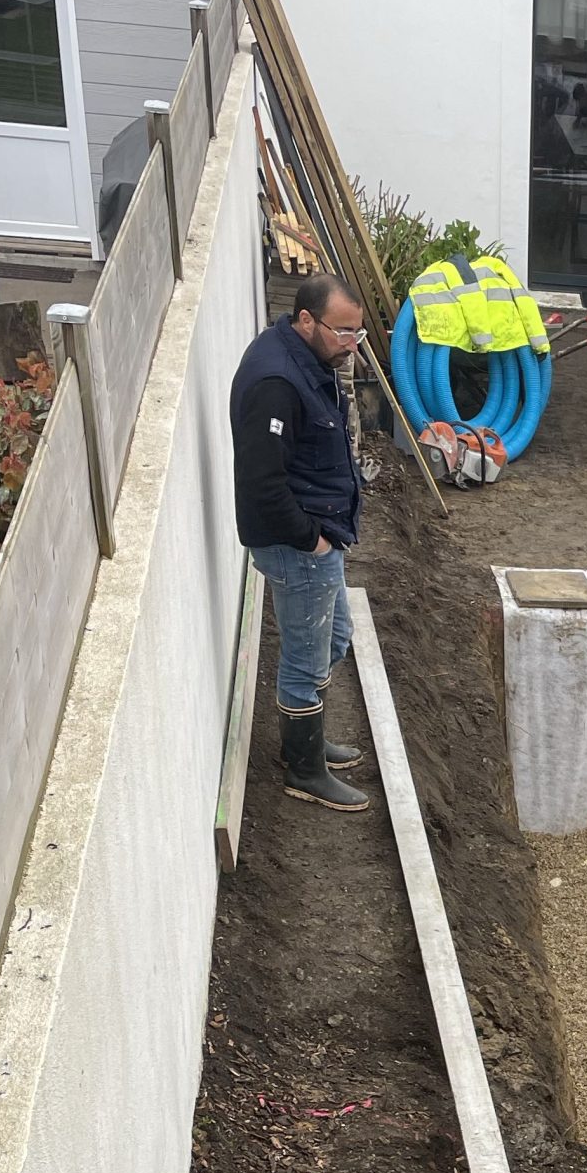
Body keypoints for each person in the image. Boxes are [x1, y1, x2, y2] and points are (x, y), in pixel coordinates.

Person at [229, 274, 369, 812]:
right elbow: (262, 481)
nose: (351, 344)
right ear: (306, 320)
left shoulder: (302, 354)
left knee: (333, 639)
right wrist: (309, 540)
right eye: (343, 332)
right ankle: (304, 770)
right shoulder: (277, 381)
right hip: (299, 544)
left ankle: (305, 740)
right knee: (306, 658)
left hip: (317, 536)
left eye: (357, 333)